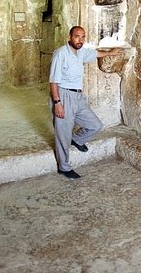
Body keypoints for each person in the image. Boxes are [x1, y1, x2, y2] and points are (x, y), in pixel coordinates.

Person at [49, 25, 121, 179]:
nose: (80, 40)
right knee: (63, 134)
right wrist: (57, 103)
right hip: (63, 95)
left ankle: (77, 139)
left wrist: (112, 52)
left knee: (95, 125)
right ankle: (64, 167)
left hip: (78, 97)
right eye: (77, 36)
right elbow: (53, 82)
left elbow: (96, 53)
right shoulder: (60, 54)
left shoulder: (81, 52)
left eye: (83, 37)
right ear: (70, 36)